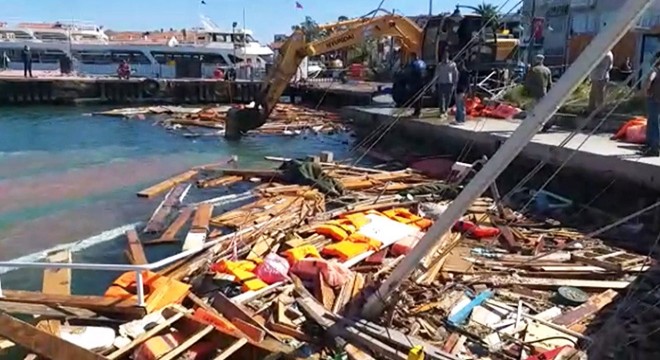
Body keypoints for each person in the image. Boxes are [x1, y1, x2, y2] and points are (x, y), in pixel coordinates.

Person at [642, 52, 660, 157]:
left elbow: (650, 79)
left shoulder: (655, 70)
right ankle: (650, 144)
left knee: (653, 122)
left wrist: (645, 90)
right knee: (654, 122)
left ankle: (654, 147)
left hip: (653, 98)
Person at [435, 51, 459, 118]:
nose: (445, 57)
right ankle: (441, 111)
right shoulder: (439, 65)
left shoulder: (452, 64)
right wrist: (434, 84)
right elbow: (436, 75)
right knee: (441, 98)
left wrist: (455, 82)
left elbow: (455, 74)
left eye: (446, 56)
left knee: (448, 98)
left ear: (448, 56)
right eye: (444, 56)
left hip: (449, 83)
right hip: (441, 82)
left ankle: (445, 110)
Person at [407, 52, 427, 117]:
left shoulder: (413, 64)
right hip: (422, 83)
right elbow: (425, 73)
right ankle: (419, 111)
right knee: (420, 97)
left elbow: (410, 75)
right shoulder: (423, 63)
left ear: (413, 57)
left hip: (415, 83)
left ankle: (416, 112)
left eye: (411, 57)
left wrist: (409, 84)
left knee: (415, 97)